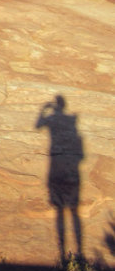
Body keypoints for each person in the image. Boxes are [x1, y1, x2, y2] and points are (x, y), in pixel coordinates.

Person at [36, 95, 83, 261]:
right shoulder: (72, 123)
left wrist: (43, 110)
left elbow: (38, 125)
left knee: (59, 209)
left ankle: (63, 253)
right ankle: (78, 252)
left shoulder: (52, 118)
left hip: (56, 165)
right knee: (73, 210)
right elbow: (81, 156)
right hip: (71, 169)